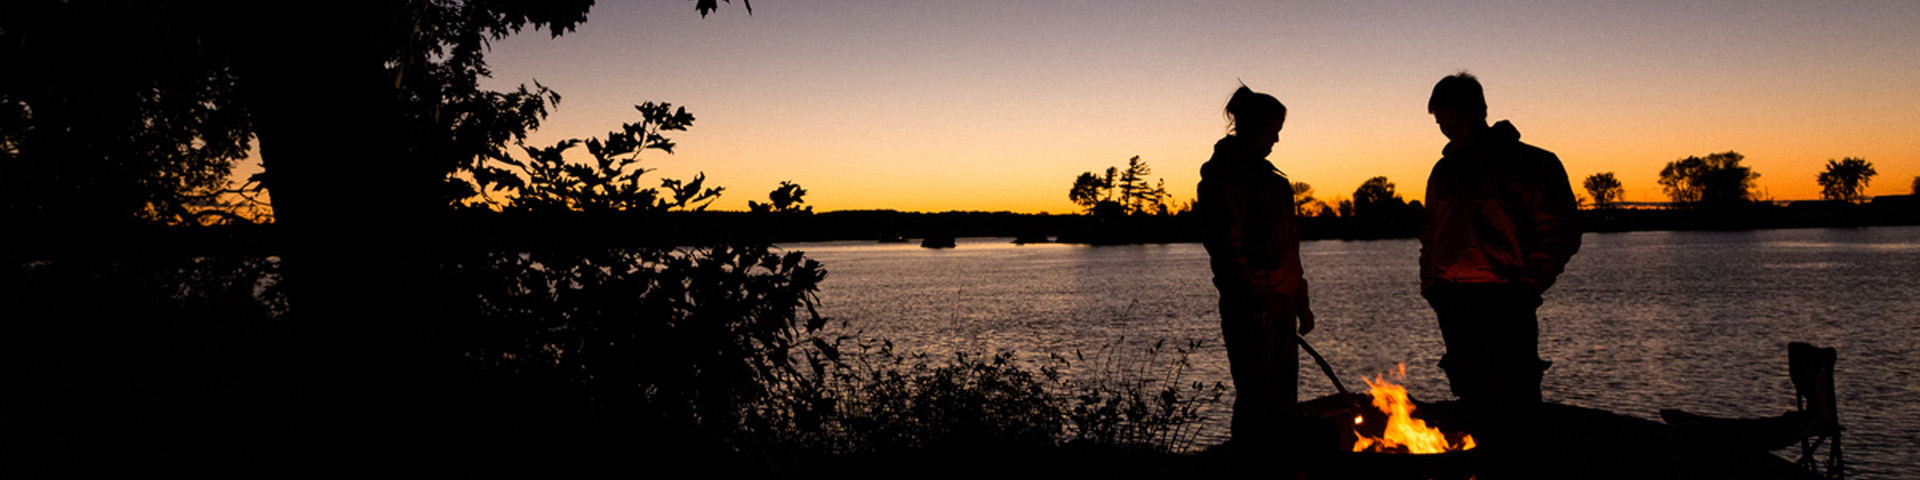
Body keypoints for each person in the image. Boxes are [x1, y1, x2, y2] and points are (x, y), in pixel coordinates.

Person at [1418, 73, 1581, 447]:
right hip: (1451, 298)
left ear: (1478, 110)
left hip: (1506, 297)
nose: (1444, 124)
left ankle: (1521, 466)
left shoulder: (1531, 163)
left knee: (1516, 395)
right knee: (1471, 392)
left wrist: (1529, 285)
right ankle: (1487, 460)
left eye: (1449, 114)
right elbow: (1429, 233)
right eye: (1439, 117)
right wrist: (1431, 284)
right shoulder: (1442, 172)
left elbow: (1561, 231)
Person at [1198, 85, 1315, 461]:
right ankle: (1252, 466)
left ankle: (1278, 465)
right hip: (1253, 302)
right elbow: (1226, 245)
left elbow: (1289, 247)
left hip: (1280, 298)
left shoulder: (1272, 179)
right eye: (1272, 129)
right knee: (1257, 394)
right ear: (1249, 126)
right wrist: (1248, 300)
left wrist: (1300, 300)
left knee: (1282, 395)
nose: (1277, 138)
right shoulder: (1226, 178)